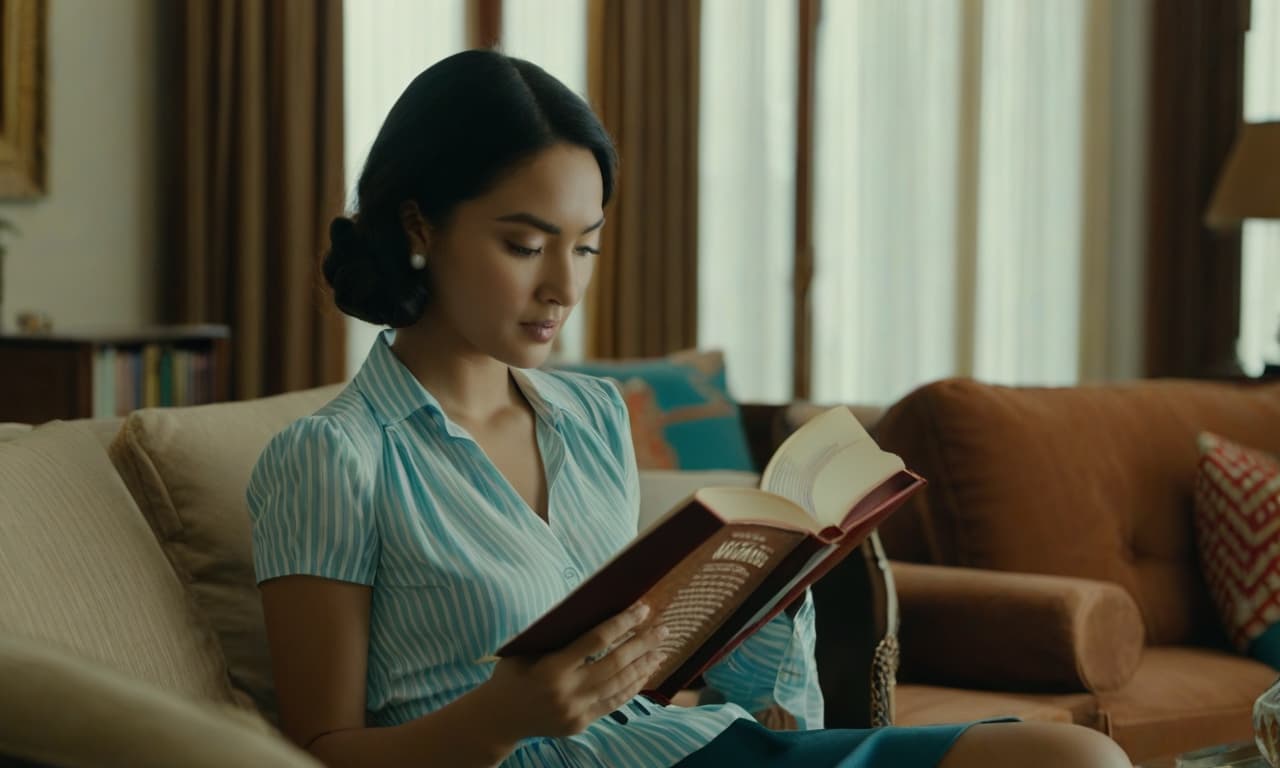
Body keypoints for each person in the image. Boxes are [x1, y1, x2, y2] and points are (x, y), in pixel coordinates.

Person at [247, 49, 1131, 768]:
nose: (563, 287)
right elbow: (317, 753)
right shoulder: (332, 459)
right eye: (525, 245)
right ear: (418, 226)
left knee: (1077, 760)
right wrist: (498, 719)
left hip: (694, 750)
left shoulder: (591, 417)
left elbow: (651, 685)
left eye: (585, 248)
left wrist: (757, 597)